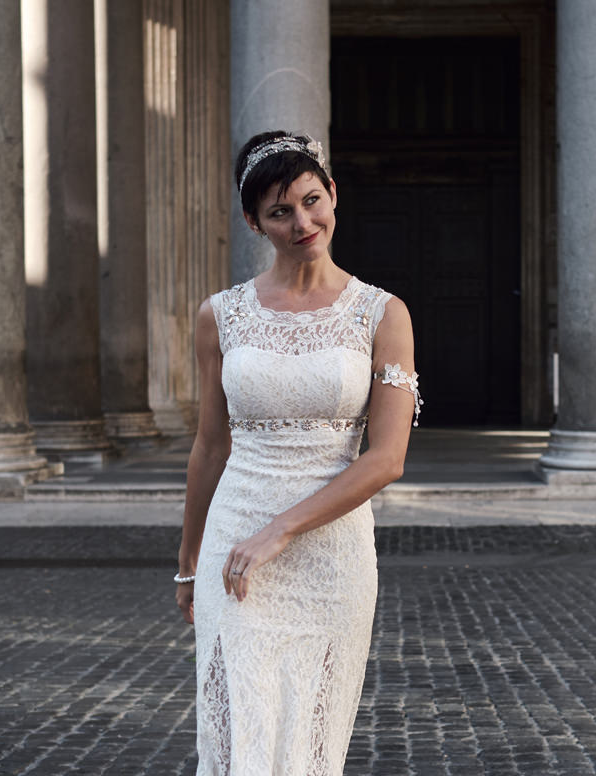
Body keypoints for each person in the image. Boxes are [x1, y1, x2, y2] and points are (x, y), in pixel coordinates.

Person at [173, 131, 421, 775]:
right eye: (280, 212)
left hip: (331, 555)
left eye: (312, 201)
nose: (303, 222)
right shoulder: (219, 315)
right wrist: (188, 558)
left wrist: (279, 531)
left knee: (312, 742)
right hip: (234, 542)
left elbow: (387, 457)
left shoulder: (382, 314)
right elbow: (210, 445)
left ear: (333, 194)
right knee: (235, 741)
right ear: (254, 220)